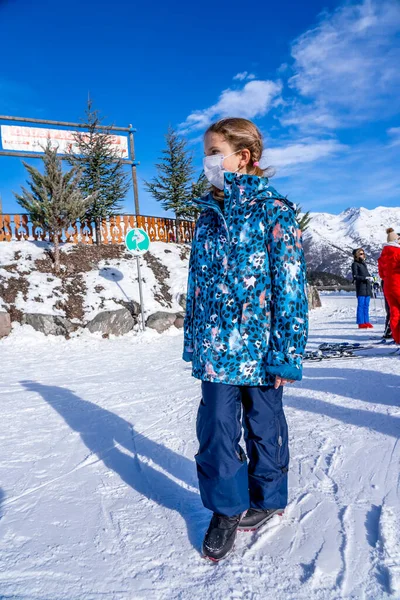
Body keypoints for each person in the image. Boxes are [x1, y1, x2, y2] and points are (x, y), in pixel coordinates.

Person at [182, 117, 308, 561]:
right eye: (206, 154)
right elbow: (196, 282)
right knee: (215, 430)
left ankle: (268, 498)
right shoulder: (207, 215)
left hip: (260, 350)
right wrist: (192, 339)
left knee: (265, 428)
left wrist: (286, 353)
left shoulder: (275, 212)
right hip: (217, 347)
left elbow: (290, 288)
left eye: (214, 153)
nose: (208, 163)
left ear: (244, 157)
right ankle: (226, 509)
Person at [378, 228, 400, 344]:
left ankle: (397, 338)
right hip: (398, 284)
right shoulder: (398, 252)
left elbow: (381, 274)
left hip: (388, 286)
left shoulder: (383, 256)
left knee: (394, 312)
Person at [351, 248, 373, 329]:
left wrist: (371, 278)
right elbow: (355, 276)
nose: (362, 255)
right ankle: (361, 322)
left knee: (366, 305)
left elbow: (366, 274)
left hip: (367, 287)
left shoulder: (364, 264)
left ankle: (366, 321)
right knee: (361, 305)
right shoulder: (355, 264)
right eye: (360, 254)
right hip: (361, 287)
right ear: (356, 255)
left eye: (363, 253)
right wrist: (365, 278)